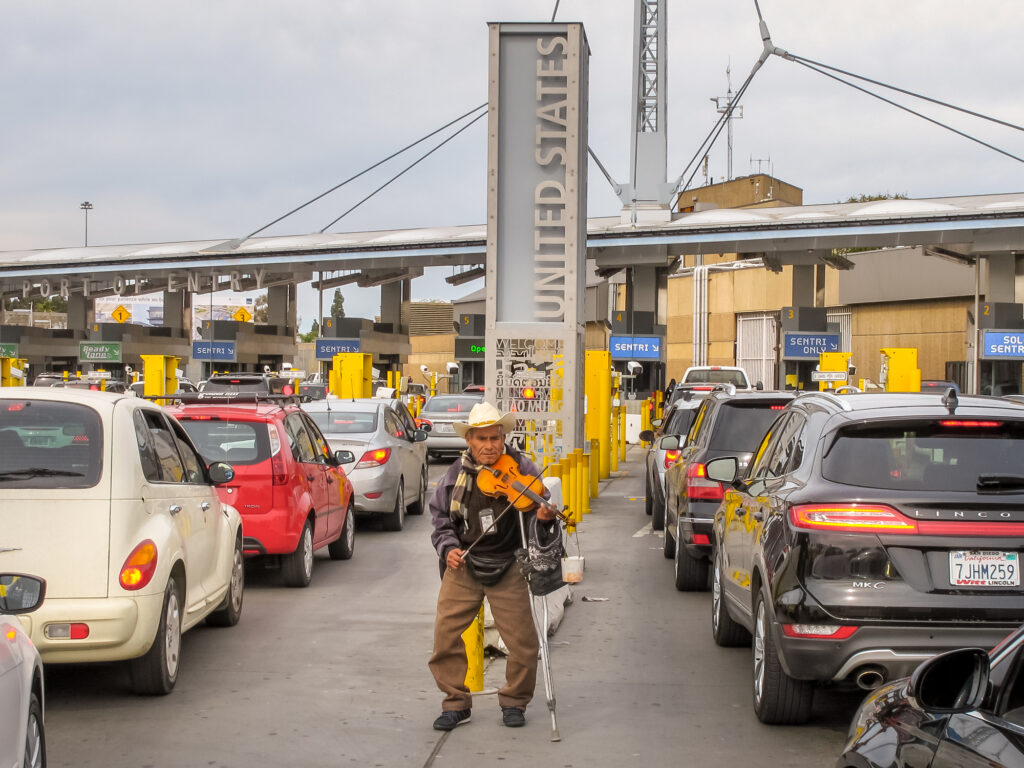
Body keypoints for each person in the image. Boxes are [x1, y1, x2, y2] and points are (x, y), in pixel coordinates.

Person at [428, 401, 557, 731]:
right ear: (469, 440)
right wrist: (449, 550)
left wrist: (543, 518)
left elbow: (535, 523)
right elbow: (441, 519)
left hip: (509, 563)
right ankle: (456, 703)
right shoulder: (455, 475)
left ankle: (514, 701)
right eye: (481, 439)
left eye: (495, 439)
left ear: (504, 438)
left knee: (524, 643)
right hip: (465, 564)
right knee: (444, 637)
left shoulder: (522, 466)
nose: (489, 446)